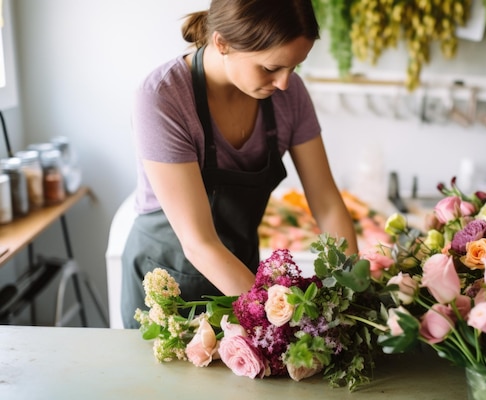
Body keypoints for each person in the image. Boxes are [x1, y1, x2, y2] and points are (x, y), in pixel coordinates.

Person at [121, 0, 358, 328]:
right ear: (222, 43)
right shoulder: (163, 97)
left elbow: (327, 203)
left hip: (243, 276)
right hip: (167, 286)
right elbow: (199, 242)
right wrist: (286, 320)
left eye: (294, 68)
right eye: (270, 68)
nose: (285, 83)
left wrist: (351, 290)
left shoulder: (290, 95)